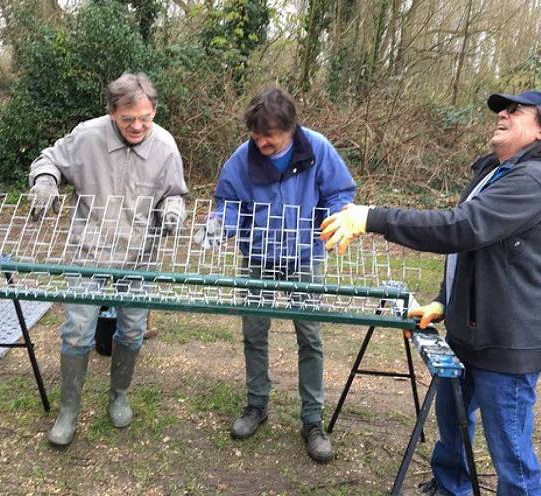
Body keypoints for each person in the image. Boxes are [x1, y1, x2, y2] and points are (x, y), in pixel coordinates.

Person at [320, 90, 541, 495]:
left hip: (505, 343)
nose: (502, 115)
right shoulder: (494, 171)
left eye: (515, 110)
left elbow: (461, 226)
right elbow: (470, 249)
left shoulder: (533, 181)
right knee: (453, 421)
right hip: (468, 330)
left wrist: (373, 218)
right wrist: (444, 301)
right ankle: (450, 486)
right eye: (500, 109)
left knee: (512, 456)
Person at [196, 85, 356, 462]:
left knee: (310, 337)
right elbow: (229, 201)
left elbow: (339, 192)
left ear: (290, 128)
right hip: (258, 257)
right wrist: (220, 224)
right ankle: (256, 404)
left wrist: (337, 219)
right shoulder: (243, 157)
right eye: (256, 135)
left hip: (304, 257)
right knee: (254, 332)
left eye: (269, 136)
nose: (261, 142)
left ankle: (312, 420)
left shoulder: (317, 149)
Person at [29, 72, 188, 446]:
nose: (138, 126)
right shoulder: (87, 136)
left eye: (145, 118)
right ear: (112, 112)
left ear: (154, 111)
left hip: (138, 255)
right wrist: (45, 181)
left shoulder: (165, 146)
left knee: (132, 329)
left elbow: (174, 193)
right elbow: (49, 159)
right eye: (128, 118)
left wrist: (173, 211)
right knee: (77, 330)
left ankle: (119, 395)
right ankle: (69, 410)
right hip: (90, 250)